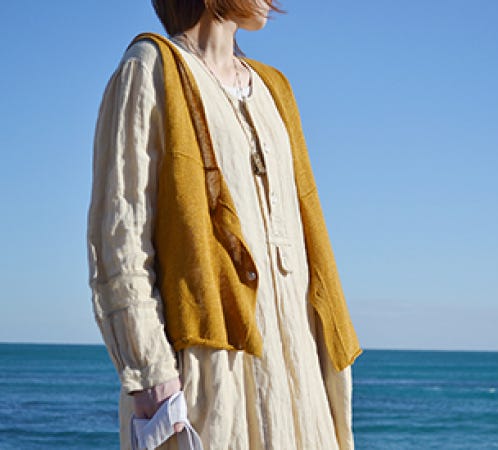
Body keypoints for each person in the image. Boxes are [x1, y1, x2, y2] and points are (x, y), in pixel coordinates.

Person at [87, 1, 361, 449]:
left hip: (301, 376)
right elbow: (120, 236)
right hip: (210, 379)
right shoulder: (149, 68)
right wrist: (152, 378)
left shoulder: (274, 88)